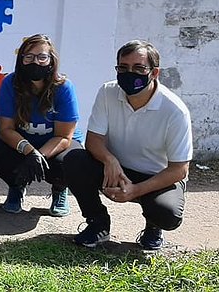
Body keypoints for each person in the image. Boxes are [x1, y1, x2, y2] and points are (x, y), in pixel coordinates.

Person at [65, 40, 192, 251]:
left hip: (156, 177)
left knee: (167, 214)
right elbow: (93, 140)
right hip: (115, 170)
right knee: (73, 160)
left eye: (139, 68)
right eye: (123, 68)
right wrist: (109, 160)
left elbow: (179, 169)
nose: (129, 73)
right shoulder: (108, 92)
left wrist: (136, 190)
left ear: (155, 73)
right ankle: (98, 223)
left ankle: (153, 228)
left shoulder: (175, 111)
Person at [0, 34, 82, 217]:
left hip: (56, 145)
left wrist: (38, 156)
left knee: (71, 161)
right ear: (21, 59)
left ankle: (59, 189)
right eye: (29, 57)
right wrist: (30, 151)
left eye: (42, 57)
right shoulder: (10, 83)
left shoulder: (63, 87)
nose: (35, 62)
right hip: (23, 143)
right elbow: (5, 129)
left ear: (51, 60)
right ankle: (16, 187)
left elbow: (64, 137)